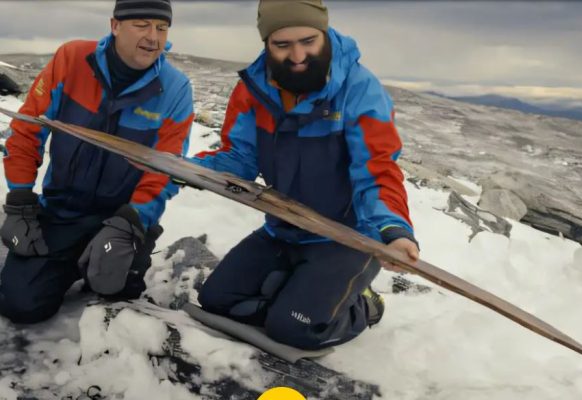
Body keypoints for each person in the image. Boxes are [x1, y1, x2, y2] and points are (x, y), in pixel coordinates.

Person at [192, 0, 419, 350]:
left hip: (347, 239)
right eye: (282, 45)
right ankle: (299, 294)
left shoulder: (359, 89)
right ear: (266, 44)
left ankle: (364, 305)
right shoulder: (254, 90)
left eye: (308, 41)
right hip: (283, 230)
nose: (298, 56)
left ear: (324, 34)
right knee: (216, 300)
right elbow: (239, 159)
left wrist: (393, 230)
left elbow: (377, 168)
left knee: (295, 330)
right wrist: (185, 169)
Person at [0, 0, 194, 324]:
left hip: (120, 217)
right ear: (115, 25)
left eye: (162, 28)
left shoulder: (175, 89)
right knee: (20, 303)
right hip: (62, 212)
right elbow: (27, 130)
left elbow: (167, 168)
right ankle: (71, 261)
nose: (153, 37)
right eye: (142, 25)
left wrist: (132, 220)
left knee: (115, 290)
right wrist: (20, 201)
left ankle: (111, 259)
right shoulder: (71, 60)